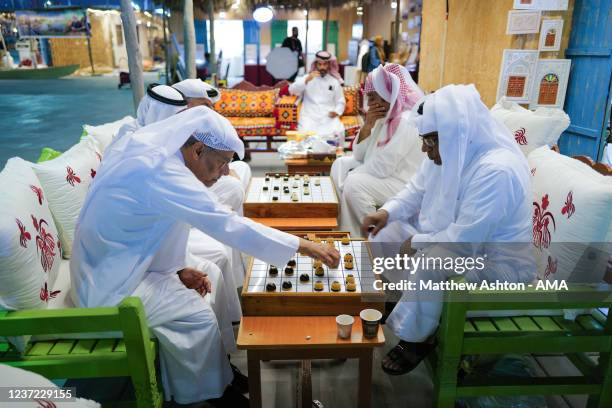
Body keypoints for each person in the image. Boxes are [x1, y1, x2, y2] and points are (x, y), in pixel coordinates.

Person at [70, 107, 340, 406]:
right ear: (197, 149)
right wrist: (305, 246)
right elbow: (227, 223)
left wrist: (176, 269)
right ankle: (207, 395)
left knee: (210, 270)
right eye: (223, 162)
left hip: (121, 261)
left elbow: (150, 229)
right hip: (112, 285)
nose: (226, 171)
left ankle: (220, 370)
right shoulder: (162, 172)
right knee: (196, 318)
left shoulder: (156, 152)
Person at [360, 84, 534, 376]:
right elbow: (415, 190)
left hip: (497, 266)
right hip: (454, 244)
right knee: (387, 233)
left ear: (457, 134)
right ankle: (409, 304)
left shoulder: (496, 170)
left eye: (429, 141)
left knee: (432, 260)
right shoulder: (449, 150)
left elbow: (466, 240)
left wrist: (419, 240)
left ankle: (416, 338)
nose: (424, 149)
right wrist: (385, 212)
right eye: (423, 139)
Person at [332, 64, 425, 237]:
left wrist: (354, 173)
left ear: (388, 95)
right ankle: (346, 231)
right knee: (340, 165)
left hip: (403, 183)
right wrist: (367, 125)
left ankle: (372, 235)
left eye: (374, 98)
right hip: (383, 175)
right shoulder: (386, 116)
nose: (370, 104)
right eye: (369, 98)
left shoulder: (405, 121)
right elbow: (359, 154)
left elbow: (382, 168)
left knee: (353, 183)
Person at [289, 50, 345, 138]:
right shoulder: (307, 78)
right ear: (315, 64)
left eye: (325, 64)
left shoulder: (334, 82)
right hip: (309, 116)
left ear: (329, 65)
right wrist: (306, 80)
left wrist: (337, 111)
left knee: (338, 131)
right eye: (319, 64)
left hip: (328, 117)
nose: (322, 67)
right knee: (305, 136)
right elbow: (292, 90)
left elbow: (340, 101)